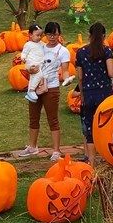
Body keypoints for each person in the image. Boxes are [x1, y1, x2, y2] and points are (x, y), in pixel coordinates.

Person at [18, 21, 72, 162]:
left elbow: (65, 70)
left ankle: (56, 150)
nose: (52, 37)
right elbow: (29, 63)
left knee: (52, 119)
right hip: (35, 86)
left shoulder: (63, 51)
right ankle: (32, 146)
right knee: (33, 117)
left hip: (51, 87)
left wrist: (67, 79)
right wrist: (30, 69)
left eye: (54, 34)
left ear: (59, 34)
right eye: (49, 34)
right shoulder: (40, 46)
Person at [75, 22, 113, 165]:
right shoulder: (106, 51)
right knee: (106, 127)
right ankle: (107, 159)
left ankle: (91, 162)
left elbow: (80, 76)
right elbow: (111, 73)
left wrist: (82, 93)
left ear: (89, 35)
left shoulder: (81, 52)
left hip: (89, 94)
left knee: (90, 128)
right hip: (105, 94)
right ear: (104, 36)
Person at [21, 24, 46, 103]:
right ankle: (31, 90)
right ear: (30, 35)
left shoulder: (42, 43)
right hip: (31, 63)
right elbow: (24, 53)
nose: (39, 37)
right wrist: (23, 58)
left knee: (35, 76)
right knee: (39, 74)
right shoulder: (28, 44)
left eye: (41, 35)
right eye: (37, 35)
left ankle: (31, 93)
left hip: (39, 63)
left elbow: (47, 48)